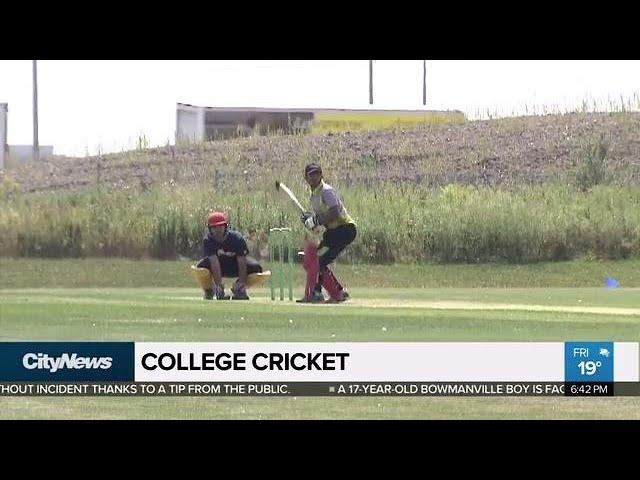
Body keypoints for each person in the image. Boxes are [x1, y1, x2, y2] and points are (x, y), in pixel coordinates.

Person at [299, 163, 357, 303]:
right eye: (311, 174)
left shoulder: (326, 191)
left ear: (321, 175)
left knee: (319, 261)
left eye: (317, 173)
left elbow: (334, 211)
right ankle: (338, 292)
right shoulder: (314, 196)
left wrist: (316, 220)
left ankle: (317, 293)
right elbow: (323, 220)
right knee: (312, 261)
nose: (314, 177)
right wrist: (310, 221)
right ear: (306, 178)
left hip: (344, 229)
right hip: (333, 232)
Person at [191, 211, 269, 300]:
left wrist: (241, 283)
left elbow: (242, 261)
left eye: (220, 226)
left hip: (234, 265)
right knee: (200, 268)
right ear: (210, 229)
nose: (218, 229)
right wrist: (218, 285)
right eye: (214, 227)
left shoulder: (236, 238)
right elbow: (214, 262)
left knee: (256, 268)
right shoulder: (208, 240)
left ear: (225, 227)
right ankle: (209, 289)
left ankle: (239, 288)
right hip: (218, 266)